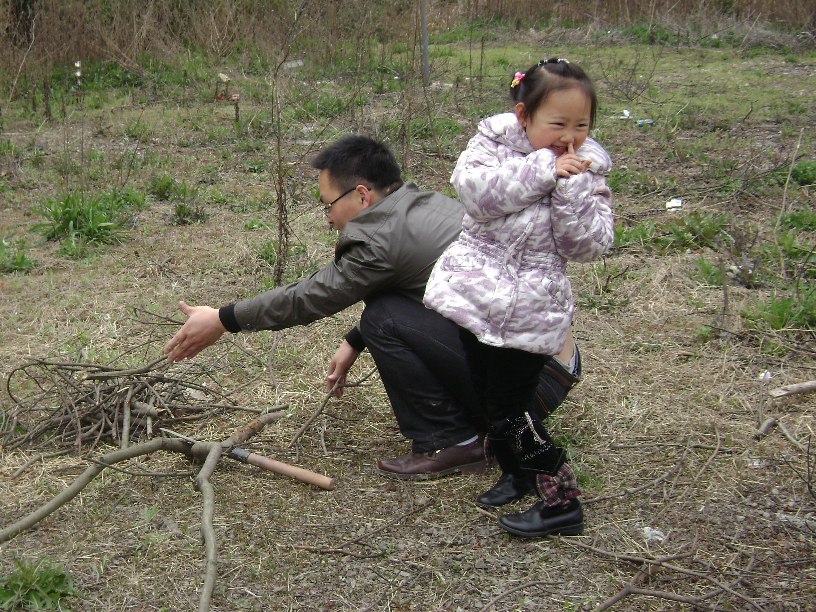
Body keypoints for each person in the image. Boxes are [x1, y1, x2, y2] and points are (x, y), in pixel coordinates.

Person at [163, 134, 580, 480]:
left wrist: (223, 318)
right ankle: (475, 425)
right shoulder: (421, 204)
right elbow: (420, 288)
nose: (327, 217)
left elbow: (310, 297)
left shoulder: (380, 240)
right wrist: (354, 340)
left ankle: (455, 442)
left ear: (362, 195)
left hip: (533, 388)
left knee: (383, 317)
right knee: (382, 310)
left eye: (328, 203)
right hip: (550, 364)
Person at [424, 58, 613, 537]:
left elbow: (589, 246)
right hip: (473, 297)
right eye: (557, 124)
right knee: (490, 398)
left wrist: (570, 187)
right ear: (524, 115)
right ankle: (518, 473)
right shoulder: (492, 144)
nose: (570, 137)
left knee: (513, 410)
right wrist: (544, 169)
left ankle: (561, 500)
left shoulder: (587, 168)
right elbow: (477, 196)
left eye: (581, 125)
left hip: (532, 310)